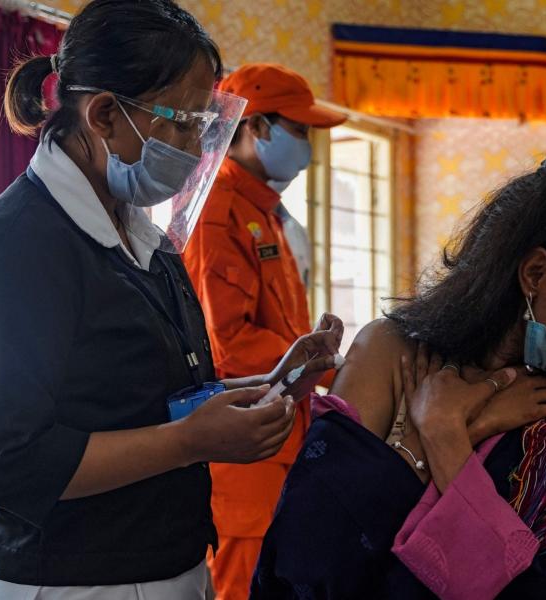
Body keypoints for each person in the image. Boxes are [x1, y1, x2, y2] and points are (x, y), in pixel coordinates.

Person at [0, 2, 342, 598]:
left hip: (168, 558)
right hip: (75, 579)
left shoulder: (146, 238)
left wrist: (270, 383)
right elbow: (12, 462)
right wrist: (190, 442)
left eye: (206, 126)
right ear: (104, 114)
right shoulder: (15, 244)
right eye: (183, 123)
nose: (195, 147)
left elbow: (152, 398)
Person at [252, 135, 546, 599]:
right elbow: (310, 558)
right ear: (535, 274)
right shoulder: (392, 355)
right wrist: (458, 435)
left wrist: (446, 439)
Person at [182, 63, 346, 600]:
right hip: (243, 444)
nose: (308, 146)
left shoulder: (266, 212)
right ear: (255, 128)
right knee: (244, 585)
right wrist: (326, 366)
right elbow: (228, 342)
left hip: (279, 433)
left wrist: (315, 356)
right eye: (299, 130)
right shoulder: (218, 209)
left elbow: (275, 330)